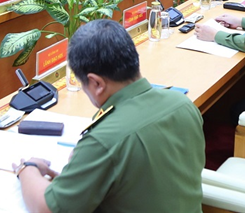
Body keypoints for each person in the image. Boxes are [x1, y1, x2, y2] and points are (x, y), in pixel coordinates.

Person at [13, 20, 205, 213]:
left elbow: (47, 209)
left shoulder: (103, 141)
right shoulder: (182, 103)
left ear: (96, 83)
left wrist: (27, 169)